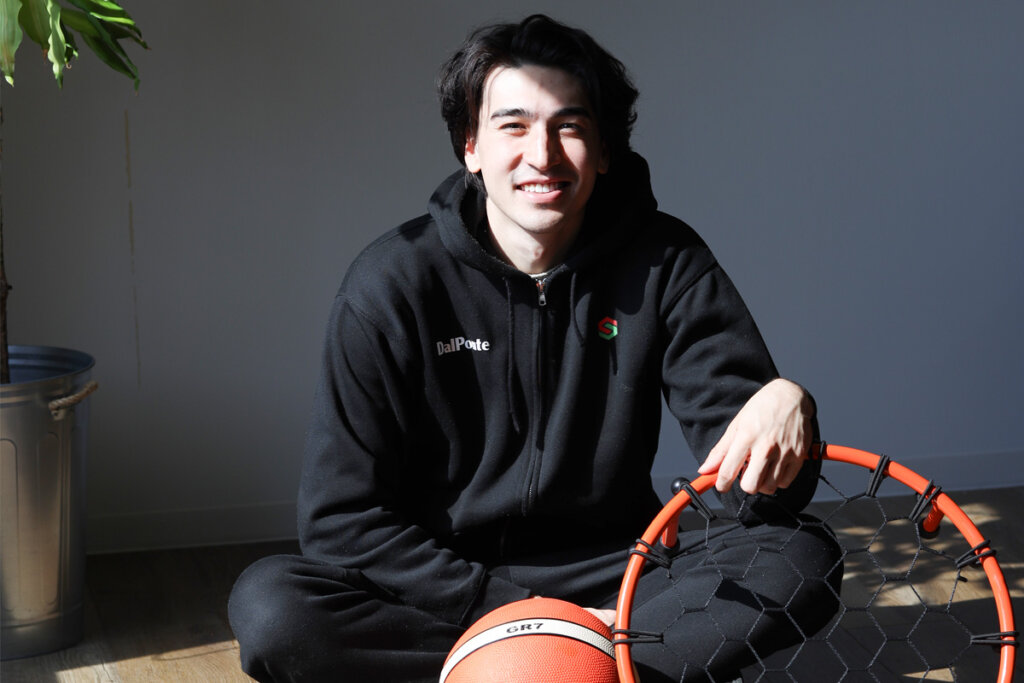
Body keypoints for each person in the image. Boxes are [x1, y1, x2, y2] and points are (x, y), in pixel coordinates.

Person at [229, 14, 842, 682]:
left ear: (603, 150)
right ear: (471, 146)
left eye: (569, 127)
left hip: (617, 578)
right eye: (513, 126)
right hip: (446, 588)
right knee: (272, 607)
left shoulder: (667, 263)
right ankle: (591, 666)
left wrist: (788, 403)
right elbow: (340, 523)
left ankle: (554, 667)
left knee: (802, 557)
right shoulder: (391, 282)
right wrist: (523, 616)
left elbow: (758, 502)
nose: (542, 155)